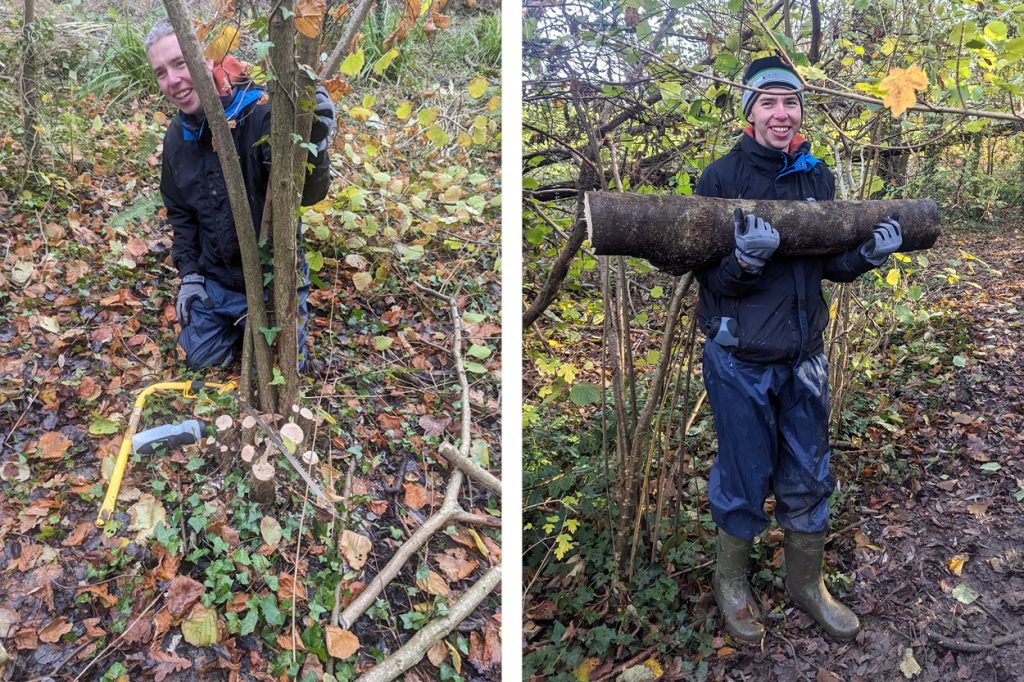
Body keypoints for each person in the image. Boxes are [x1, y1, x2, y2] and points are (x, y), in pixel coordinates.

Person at [694, 56, 902, 643]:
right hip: (740, 358)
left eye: (791, 102)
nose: (781, 114)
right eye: (769, 102)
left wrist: (864, 255)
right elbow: (707, 280)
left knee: (810, 473)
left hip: (804, 356)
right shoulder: (720, 178)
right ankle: (731, 585)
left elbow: (826, 266)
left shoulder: (819, 177)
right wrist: (743, 260)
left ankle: (805, 584)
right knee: (744, 472)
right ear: (749, 112)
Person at [144, 18, 336, 370]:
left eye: (181, 63)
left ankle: (265, 328)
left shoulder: (260, 110)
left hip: (273, 281)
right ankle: (238, 329)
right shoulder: (177, 138)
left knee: (285, 367)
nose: (172, 81)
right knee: (199, 360)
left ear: (210, 59)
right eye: (160, 72)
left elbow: (307, 195)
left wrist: (316, 143)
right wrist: (190, 276)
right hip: (217, 281)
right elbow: (181, 214)